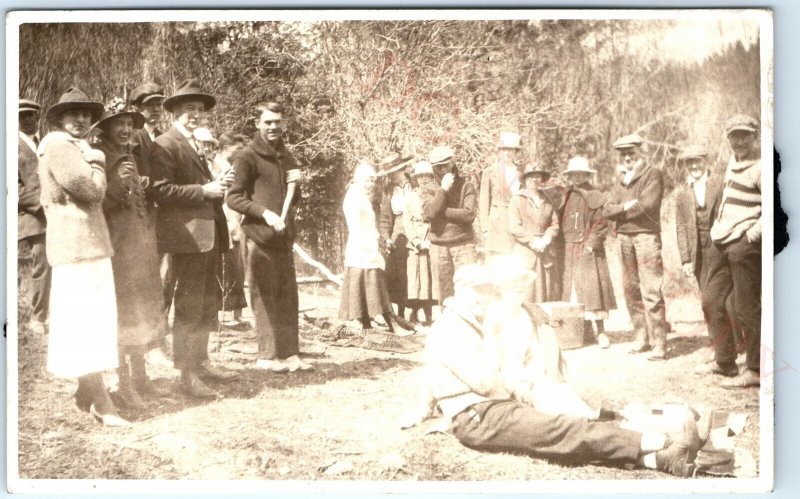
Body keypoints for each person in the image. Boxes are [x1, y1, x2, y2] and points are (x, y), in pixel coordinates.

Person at [402, 263, 702, 478]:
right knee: (560, 430)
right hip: (478, 415)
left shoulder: (470, 323)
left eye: (488, 292)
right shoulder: (451, 328)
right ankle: (662, 441)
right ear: (460, 292)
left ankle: (660, 459)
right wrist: (518, 387)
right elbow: (483, 381)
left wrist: (423, 408)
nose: (484, 299)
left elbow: (434, 373)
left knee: (559, 433)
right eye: (477, 292)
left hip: (492, 407)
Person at [38, 87, 129, 426]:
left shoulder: (75, 146)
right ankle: (102, 403)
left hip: (87, 244)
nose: (81, 119)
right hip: (76, 246)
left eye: (86, 114)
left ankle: (86, 392)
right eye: (73, 113)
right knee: (87, 323)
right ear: (60, 119)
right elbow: (91, 189)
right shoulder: (59, 146)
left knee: (94, 320)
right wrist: (99, 163)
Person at [150, 79, 239, 399]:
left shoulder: (198, 144)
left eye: (201, 110)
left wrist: (216, 185)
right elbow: (160, 190)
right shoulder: (165, 143)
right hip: (186, 237)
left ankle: (201, 363)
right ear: (174, 112)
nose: (197, 115)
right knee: (188, 305)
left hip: (209, 234)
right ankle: (186, 374)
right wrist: (204, 190)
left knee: (206, 303)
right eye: (189, 109)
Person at [93, 98, 169, 409]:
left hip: (139, 245)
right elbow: (100, 204)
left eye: (129, 124)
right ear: (106, 128)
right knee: (124, 314)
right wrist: (118, 188)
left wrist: (138, 184)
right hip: (118, 247)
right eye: (119, 124)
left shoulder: (128, 156)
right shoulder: (102, 157)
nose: (125, 129)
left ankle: (141, 377)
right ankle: (122, 383)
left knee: (142, 310)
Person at [227, 102, 311, 372]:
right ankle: (267, 356)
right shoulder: (247, 156)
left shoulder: (286, 157)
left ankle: (290, 355)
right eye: (268, 122)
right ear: (257, 124)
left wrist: (296, 185)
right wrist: (264, 213)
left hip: (283, 238)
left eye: (277, 121)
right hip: (259, 236)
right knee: (263, 296)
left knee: (287, 296)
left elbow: (291, 198)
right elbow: (234, 197)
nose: (273, 127)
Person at [704, 115, 763, 388]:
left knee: (745, 306)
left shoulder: (763, 167)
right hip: (720, 240)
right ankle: (725, 361)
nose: (739, 141)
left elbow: (776, 211)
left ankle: (755, 369)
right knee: (711, 300)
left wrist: (752, 235)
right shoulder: (731, 163)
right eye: (734, 136)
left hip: (743, 244)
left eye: (744, 135)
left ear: (754, 136)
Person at [603, 134, 670, 361]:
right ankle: (641, 338)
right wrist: (625, 205)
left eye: (631, 152)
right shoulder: (620, 180)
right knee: (630, 289)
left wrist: (620, 210)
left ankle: (659, 342)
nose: (627, 157)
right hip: (624, 238)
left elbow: (648, 205)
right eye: (623, 154)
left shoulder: (653, 174)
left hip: (646, 237)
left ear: (640, 152)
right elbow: (606, 209)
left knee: (651, 289)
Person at [129, 81, 173, 366]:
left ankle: (158, 339)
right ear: (137, 109)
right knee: (147, 279)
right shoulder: (134, 136)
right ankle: (150, 345)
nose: (155, 110)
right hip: (142, 218)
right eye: (149, 106)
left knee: (164, 277)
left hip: (161, 215)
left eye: (158, 104)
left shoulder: (160, 135)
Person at [338, 161, 409, 335]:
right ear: (357, 179)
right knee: (372, 286)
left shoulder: (360, 195)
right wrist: (373, 247)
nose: (370, 184)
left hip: (365, 246)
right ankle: (383, 324)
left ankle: (370, 324)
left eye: (372, 180)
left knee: (373, 286)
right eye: (367, 180)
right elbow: (357, 227)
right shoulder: (353, 196)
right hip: (362, 248)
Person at [559, 156, 616, 348]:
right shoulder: (566, 195)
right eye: (573, 174)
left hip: (588, 248)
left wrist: (591, 245)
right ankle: (581, 332)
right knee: (574, 291)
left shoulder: (595, 196)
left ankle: (601, 332)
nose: (576, 177)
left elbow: (600, 224)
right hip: (569, 248)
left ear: (586, 175)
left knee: (593, 291)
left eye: (580, 174)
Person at [421, 146, 477, 305]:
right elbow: (428, 214)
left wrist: (441, 212)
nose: (444, 169)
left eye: (447, 164)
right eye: (439, 166)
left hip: (463, 244)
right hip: (439, 245)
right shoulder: (428, 188)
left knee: (468, 288)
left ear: (453, 163)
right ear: (433, 168)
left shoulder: (466, 184)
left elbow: (469, 214)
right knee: (445, 293)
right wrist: (443, 190)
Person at [18, 98, 50, 335]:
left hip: (56, 212)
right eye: (22, 116)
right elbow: (14, 187)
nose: (28, 119)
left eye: (31, 115)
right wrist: (41, 205)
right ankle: (37, 317)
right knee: (41, 264)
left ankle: (50, 313)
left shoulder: (46, 142)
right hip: (33, 216)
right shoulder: (10, 145)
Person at [212, 131, 249, 329]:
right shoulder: (213, 166)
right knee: (221, 268)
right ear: (226, 149)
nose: (241, 152)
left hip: (235, 222)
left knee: (237, 268)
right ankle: (218, 317)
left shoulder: (236, 168)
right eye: (238, 149)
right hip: (221, 222)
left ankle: (236, 314)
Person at [507, 165, 559, 303]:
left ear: (542, 179)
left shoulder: (547, 200)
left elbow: (554, 224)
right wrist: (533, 241)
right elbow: (514, 227)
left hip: (545, 253)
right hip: (525, 254)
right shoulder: (516, 199)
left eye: (537, 176)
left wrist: (547, 238)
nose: (534, 180)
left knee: (545, 293)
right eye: (530, 176)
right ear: (524, 180)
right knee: (526, 294)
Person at [377, 153, 415, 320]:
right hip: (398, 230)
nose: (391, 176)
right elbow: (385, 218)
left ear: (402, 169)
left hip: (417, 228)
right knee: (397, 273)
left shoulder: (415, 184)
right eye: (389, 174)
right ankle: (399, 313)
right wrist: (386, 237)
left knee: (417, 271)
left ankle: (417, 311)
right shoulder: (388, 191)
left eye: (394, 172)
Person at [403, 161, 439, 325]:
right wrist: (417, 241)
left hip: (433, 238)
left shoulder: (438, 194)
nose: (423, 179)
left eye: (427, 176)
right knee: (417, 279)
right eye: (420, 176)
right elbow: (407, 222)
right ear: (415, 179)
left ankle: (430, 315)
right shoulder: (410, 197)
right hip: (417, 242)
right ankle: (414, 313)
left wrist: (433, 239)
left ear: (432, 177)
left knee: (431, 280)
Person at [479, 132, 524, 260]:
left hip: (517, 222)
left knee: (515, 261)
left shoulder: (521, 173)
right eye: (504, 149)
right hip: (497, 224)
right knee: (496, 261)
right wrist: (485, 229)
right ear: (499, 151)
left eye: (511, 150)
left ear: (516, 152)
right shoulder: (490, 171)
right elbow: (483, 201)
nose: (508, 153)